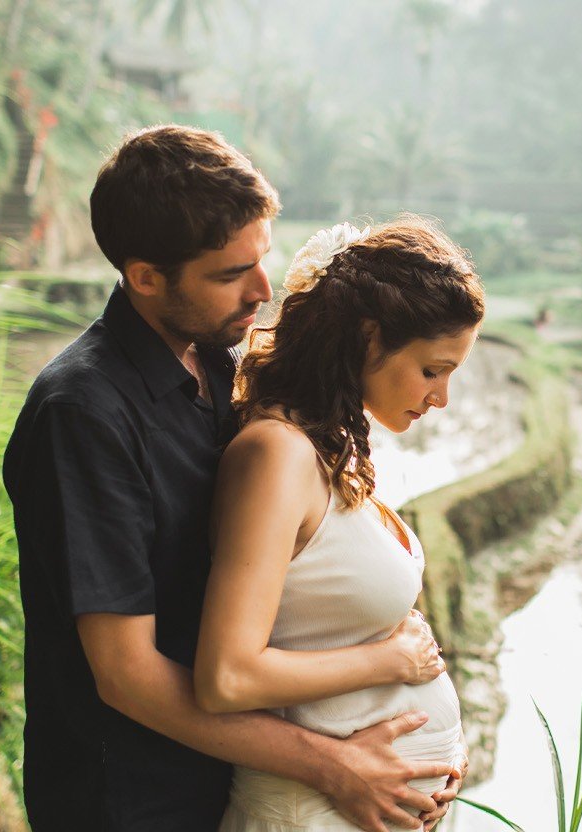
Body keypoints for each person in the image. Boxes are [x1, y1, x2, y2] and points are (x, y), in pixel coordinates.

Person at [3, 125, 458, 832]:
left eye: (261, 259)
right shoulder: (84, 413)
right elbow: (127, 676)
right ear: (145, 276)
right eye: (227, 274)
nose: (261, 291)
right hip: (134, 801)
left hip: (233, 776)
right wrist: (334, 764)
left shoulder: (216, 362)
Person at [191, 217, 483, 832]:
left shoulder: (327, 450)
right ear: (369, 340)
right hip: (308, 812)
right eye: (433, 369)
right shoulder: (277, 455)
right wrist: (391, 662)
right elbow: (226, 676)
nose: (442, 398)